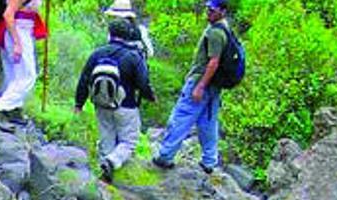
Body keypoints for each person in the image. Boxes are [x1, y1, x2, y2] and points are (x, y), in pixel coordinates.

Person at [152, 0, 234, 173]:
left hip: (201, 82)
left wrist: (200, 86)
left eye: (212, 10)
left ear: (222, 11)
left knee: (182, 116)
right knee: (208, 123)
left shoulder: (215, 34)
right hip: (214, 86)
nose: (208, 13)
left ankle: (165, 156)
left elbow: (213, 62)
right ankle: (209, 162)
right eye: (207, 9)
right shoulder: (226, 30)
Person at [76, 18, 154, 183]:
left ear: (110, 34)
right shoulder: (133, 56)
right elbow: (143, 83)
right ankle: (111, 162)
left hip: (101, 105)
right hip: (126, 106)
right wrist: (151, 97)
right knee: (129, 142)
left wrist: (79, 104)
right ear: (128, 36)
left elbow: (84, 79)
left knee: (107, 140)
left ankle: (105, 178)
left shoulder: (97, 53)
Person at [0, 0, 47, 117]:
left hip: (24, 29)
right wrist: (17, 42)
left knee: (13, 75)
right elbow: (8, 14)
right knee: (28, 75)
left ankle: (12, 109)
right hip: (18, 30)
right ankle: (2, 107)